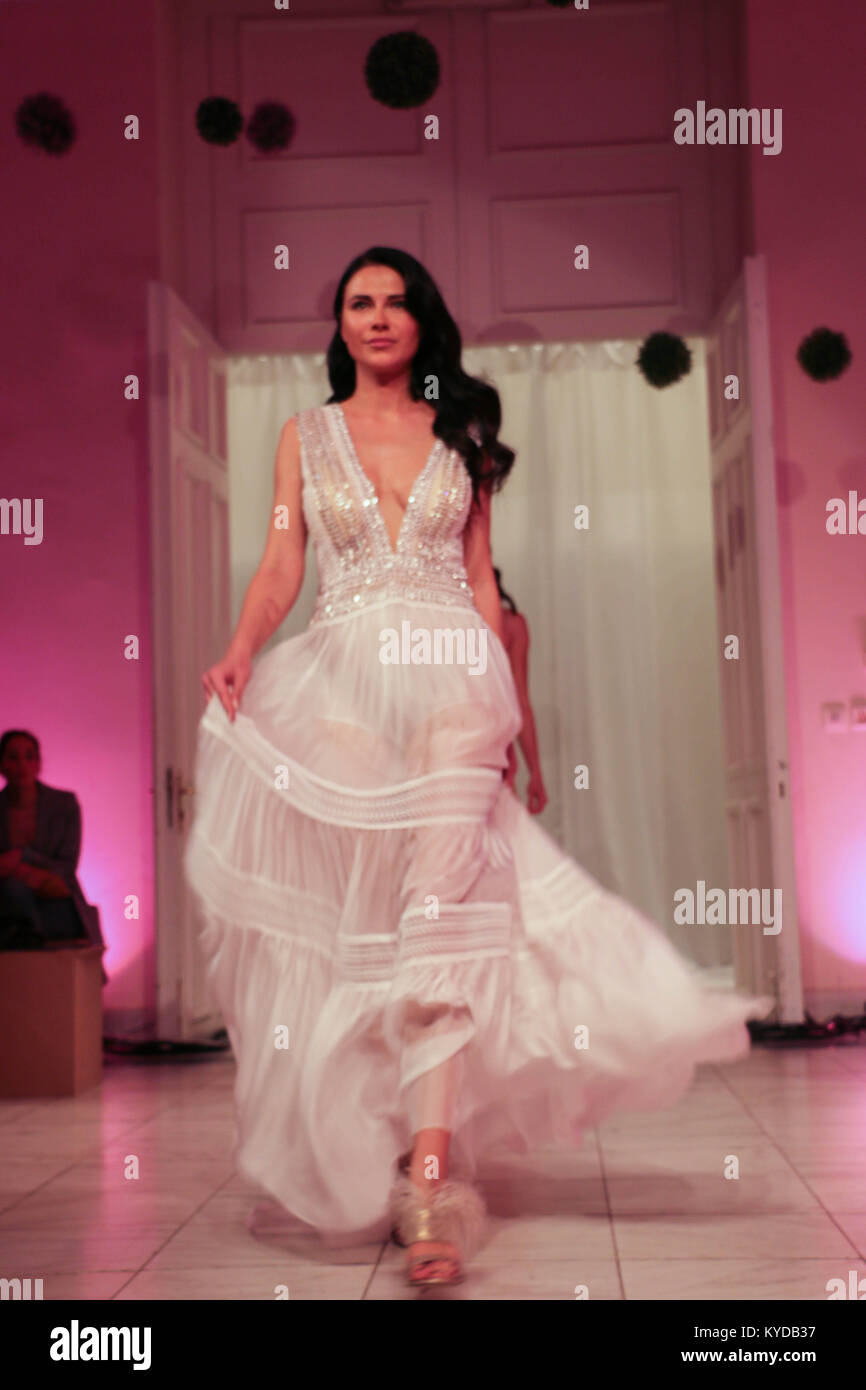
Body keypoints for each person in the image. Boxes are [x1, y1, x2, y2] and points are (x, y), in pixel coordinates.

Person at [184, 246, 771, 1288]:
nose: (375, 317)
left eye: (394, 301)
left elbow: (484, 596)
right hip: (343, 691)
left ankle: (427, 1182)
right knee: (369, 928)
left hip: (453, 684)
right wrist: (239, 646)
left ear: (421, 321)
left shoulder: (461, 439)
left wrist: (516, 723)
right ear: (340, 323)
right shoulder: (304, 435)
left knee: (442, 919)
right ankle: (385, 1137)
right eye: (356, 301)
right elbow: (283, 561)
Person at [0, 730, 107, 980]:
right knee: (13, 892)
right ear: (2, 764)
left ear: (39, 762)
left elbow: (67, 867)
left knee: (23, 897)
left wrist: (22, 859)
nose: (21, 765)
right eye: (13, 758)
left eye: (29, 757)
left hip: (56, 895)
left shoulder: (64, 803)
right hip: (9, 901)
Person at [494, 566, 548, 815]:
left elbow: (520, 699)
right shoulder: (436, 621)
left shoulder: (511, 625)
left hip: (495, 756)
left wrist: (535, 769)